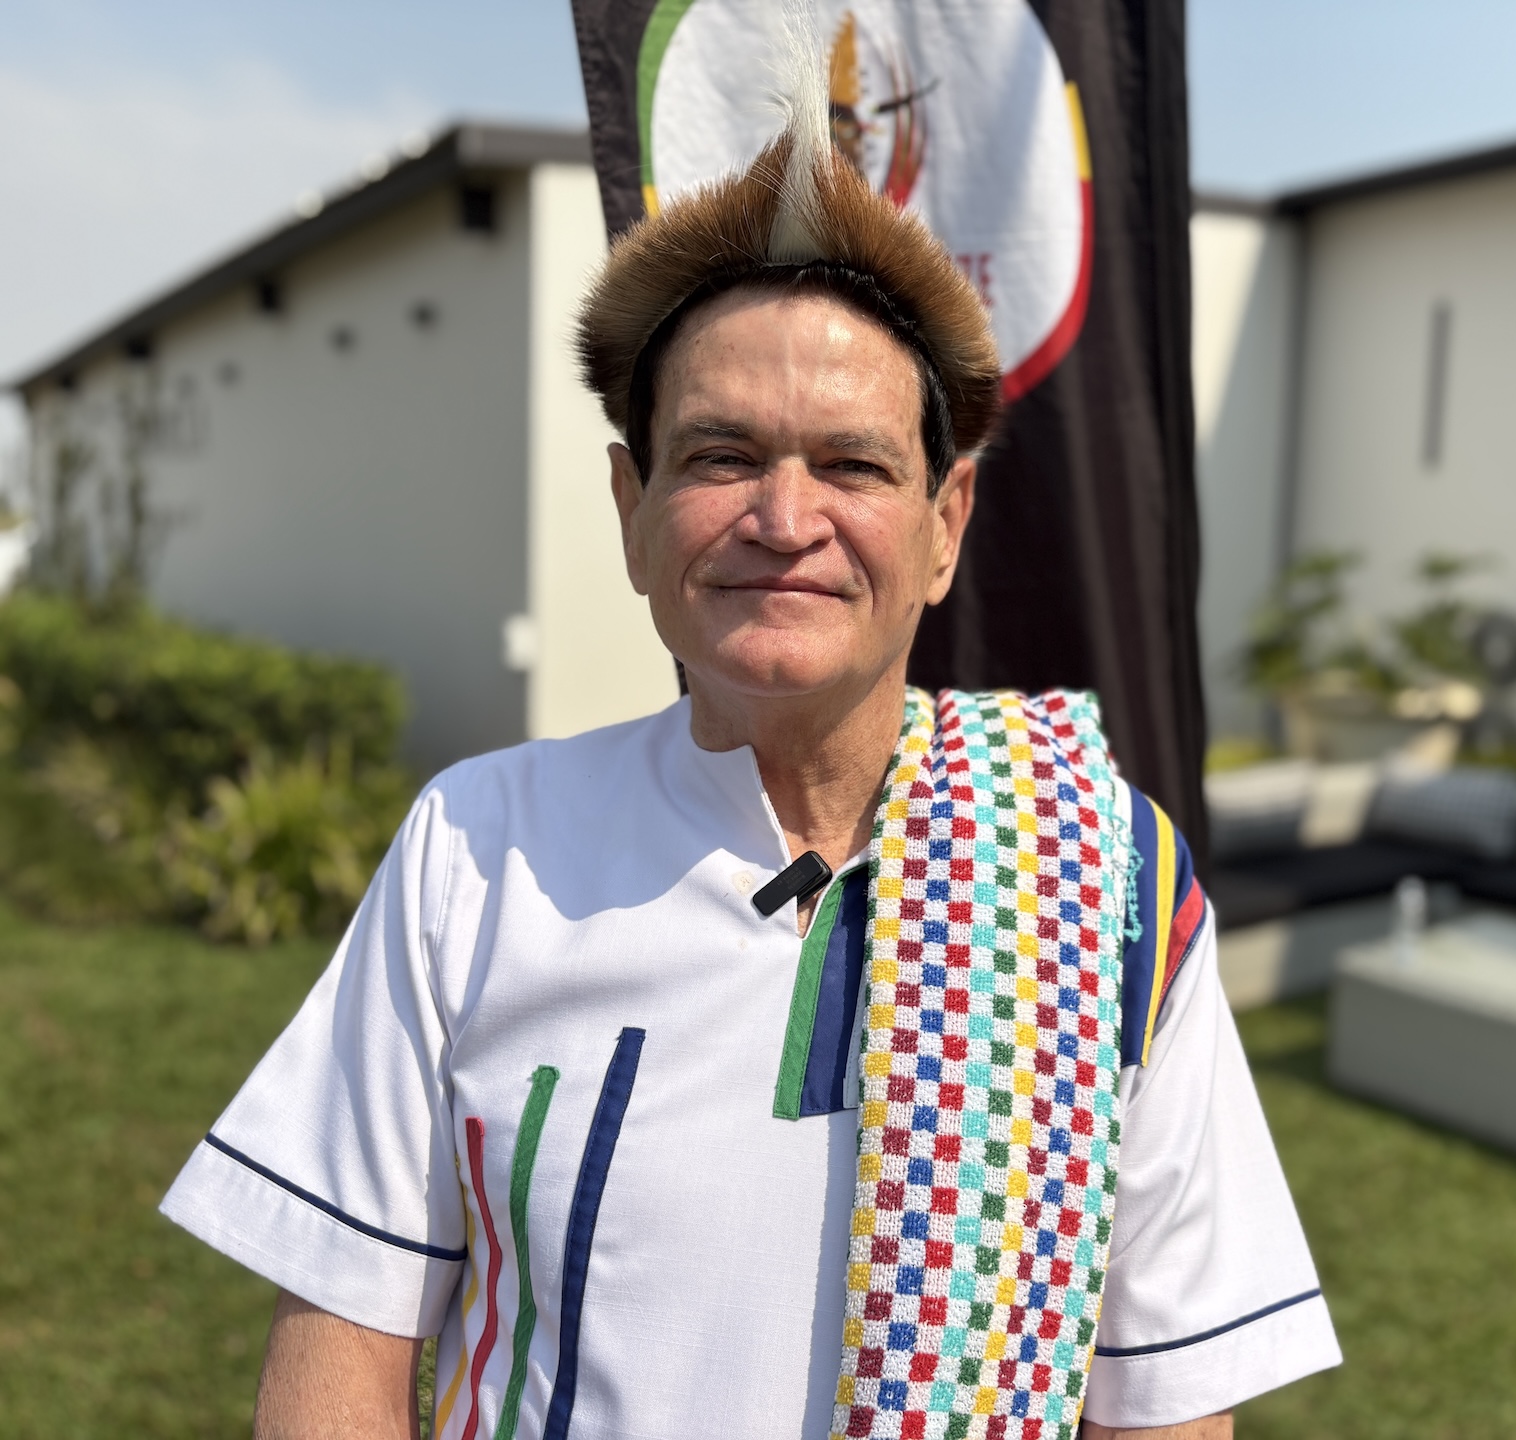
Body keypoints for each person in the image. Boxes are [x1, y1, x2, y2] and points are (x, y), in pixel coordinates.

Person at [160, 80, 1340, 1440]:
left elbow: (1164, 1407)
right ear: (634, 508)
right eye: (721, 455)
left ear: (945, 524)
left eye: (854, 465)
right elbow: (341, 1358)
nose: (785, 519)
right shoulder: (479, 849)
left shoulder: (1107, 879)